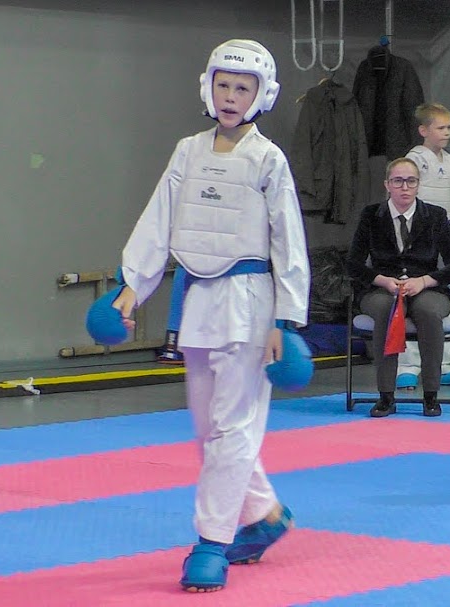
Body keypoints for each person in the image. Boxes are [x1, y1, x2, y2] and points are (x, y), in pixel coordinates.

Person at [112, 40, 310, 592]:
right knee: (211, 432)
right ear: (208, 87)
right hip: (197, 300)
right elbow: (160, 221)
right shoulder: (187, 151)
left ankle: (211, 541)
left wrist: (286, 319)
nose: (230, 96)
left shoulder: (269, 159)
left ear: (260, 95)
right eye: (223, 85)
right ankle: (265, 514)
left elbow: (289, 243)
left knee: (232, 430)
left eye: (242, 88)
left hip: (251, 304)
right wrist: (131, 286)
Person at [345, 158, 450, 418]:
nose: (404, 187)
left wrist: (423, 281)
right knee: (387, 307)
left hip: (427, 287)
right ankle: (385, 395)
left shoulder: (435, 216)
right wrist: (382, 281)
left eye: (411, 181)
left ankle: (431, 394)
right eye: (398, 181)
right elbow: (353, 264)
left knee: (429, 311)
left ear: (418, 185)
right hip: (381, 287)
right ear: (387, 184)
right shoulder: (370, 215)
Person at [396, 103, 450, 390]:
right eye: (441, 127)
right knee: (410, 304)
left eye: (449, 127)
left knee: (447, 302)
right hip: (414, 242)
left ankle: (445, 364)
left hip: (444, 241)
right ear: (423, 130)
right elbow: (405, 200)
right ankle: (407, 365)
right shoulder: (413, 161)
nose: (447, 133)